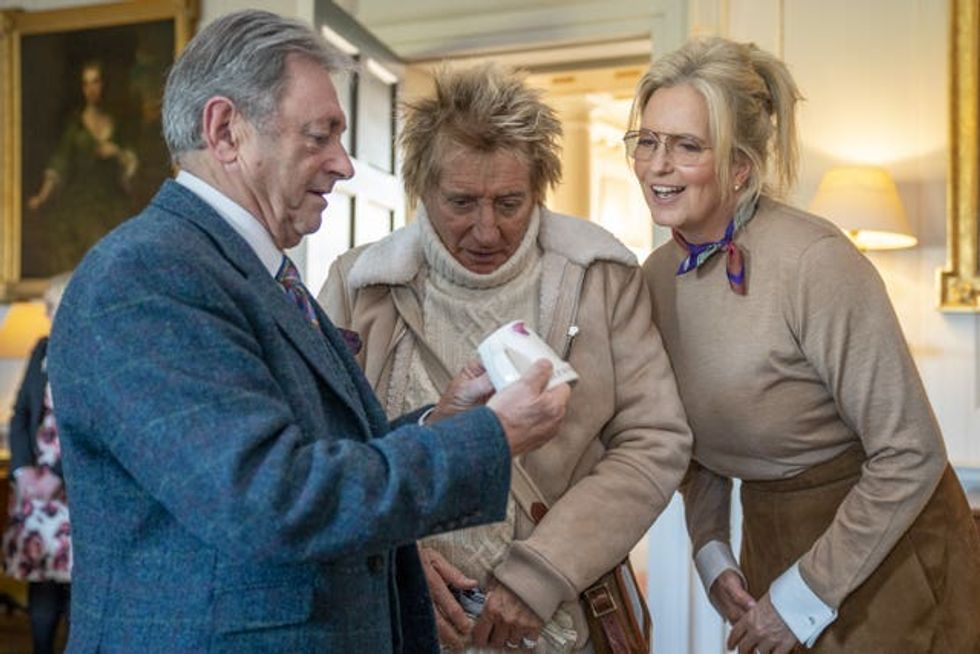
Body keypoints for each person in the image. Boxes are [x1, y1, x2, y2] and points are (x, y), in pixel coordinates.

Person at [45, 11, 570, 652]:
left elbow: (311, 450)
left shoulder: (249, 268)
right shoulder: (145, 276)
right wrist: (490, 439)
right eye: (319, 136)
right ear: (225, 131)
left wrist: (447, 424)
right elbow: (270, 497)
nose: (345, 166)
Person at [319, 64, 692, 653]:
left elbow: (656, 441)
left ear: (539, 190)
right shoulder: (359, 284)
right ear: (421, 189)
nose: (487, 231)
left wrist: (542, 571)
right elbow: (326, 458)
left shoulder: (600, 277)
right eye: (461, 202)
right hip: (408, 621)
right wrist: (399, 551)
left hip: (561, 623)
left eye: (510, 203)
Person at [630, 36, 980, 653]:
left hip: (890, 547)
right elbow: (693, 445)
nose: (658, 165)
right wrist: (713, 557)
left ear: (740, 166)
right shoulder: (652, 280)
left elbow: (911, 454)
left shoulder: (816, 263)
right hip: (770, 540)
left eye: (687, 146)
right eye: (648, 141)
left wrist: (803, 597)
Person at [3, 272, 73, 654]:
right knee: (40, 574)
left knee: (74, 579)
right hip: (34, 483)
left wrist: (59, 477)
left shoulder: (92, 350)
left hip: (74, 482)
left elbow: (94, 422)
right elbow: (21, 412)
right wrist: (22, 468)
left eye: (50, 304)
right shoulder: (41, 349)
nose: (45, 312)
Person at [26, 61, 137, 278]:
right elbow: (59, 162)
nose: (91, 89)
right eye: (86, 84)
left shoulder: (117, 124)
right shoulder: (75, 125)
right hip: (82, 205)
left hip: (113, 202)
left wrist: (115, 151)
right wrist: (41, 196)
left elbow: (131, 162)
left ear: (104, 85)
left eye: (95, 82)